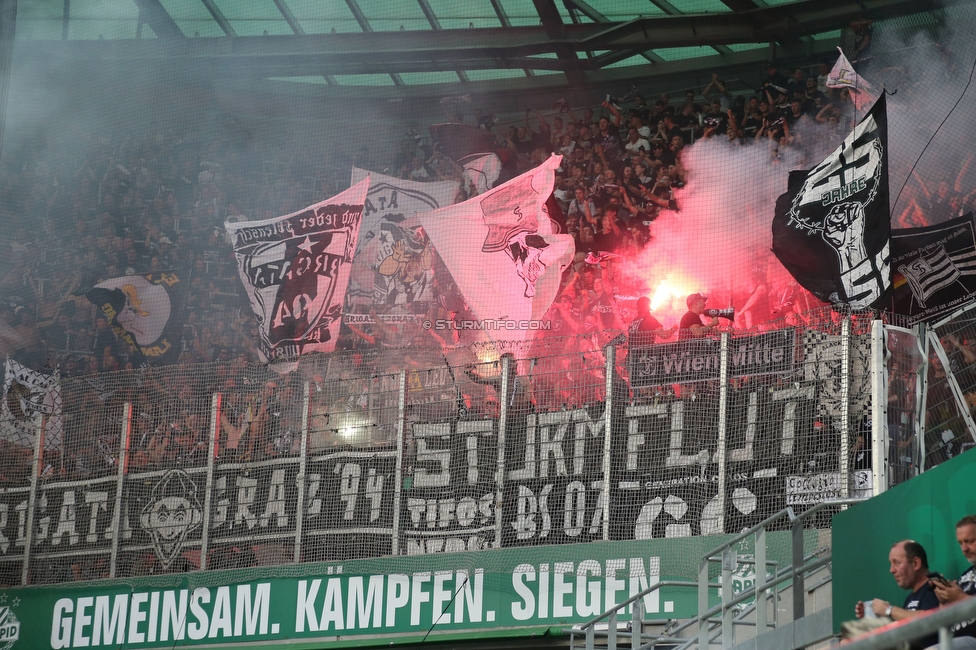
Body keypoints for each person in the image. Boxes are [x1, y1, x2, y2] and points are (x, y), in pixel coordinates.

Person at [849, 540, 940, 649]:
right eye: (891, 564)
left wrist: (889, 610)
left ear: (916, 563)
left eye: (896, 562)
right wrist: (875, 615)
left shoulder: (935, 588)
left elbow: (931, 618)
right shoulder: (909, 598)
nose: (891, 570)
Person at [928, 515, 976, 650]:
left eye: (969, 541)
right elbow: (944, 622)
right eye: (960, 543)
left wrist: (960, 597)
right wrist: (944, 600)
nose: (964, 548)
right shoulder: (965, 575)